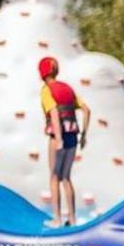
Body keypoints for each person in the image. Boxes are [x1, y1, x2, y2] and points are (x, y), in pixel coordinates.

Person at [38, 56, 90, 228]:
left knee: (54, 177)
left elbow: (53, 114)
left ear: (42, 73)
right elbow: (86, 110)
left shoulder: (47, 91)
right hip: (73, 136)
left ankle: (58, 220)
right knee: (66, 178)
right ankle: (73, 219)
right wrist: (83, 135)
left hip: (57, 138)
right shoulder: (67, 89)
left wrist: (58, 139)